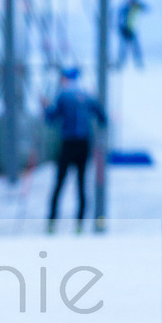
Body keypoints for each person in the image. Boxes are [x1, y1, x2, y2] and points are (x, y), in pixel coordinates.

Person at [42, 67, 107, 234]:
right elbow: (102, 117)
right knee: (81, 184)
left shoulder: (63, 96)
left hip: (68, 143)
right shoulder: (86, 96)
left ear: (65, 79)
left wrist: (45, 107)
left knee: (59, 183)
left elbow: (51, 118)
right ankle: (79, 224)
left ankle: (51, 222)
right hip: (84, 144)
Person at [116, 0, 148, 69]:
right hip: (125, 31)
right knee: (123, 48)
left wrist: (138, 5)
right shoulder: (125, 9)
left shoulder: (135, 8)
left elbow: (146, 8)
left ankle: (139, 63)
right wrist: (122, 30)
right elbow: (120, 20)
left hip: (132, 30)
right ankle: (121, 63)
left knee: (135, 48)